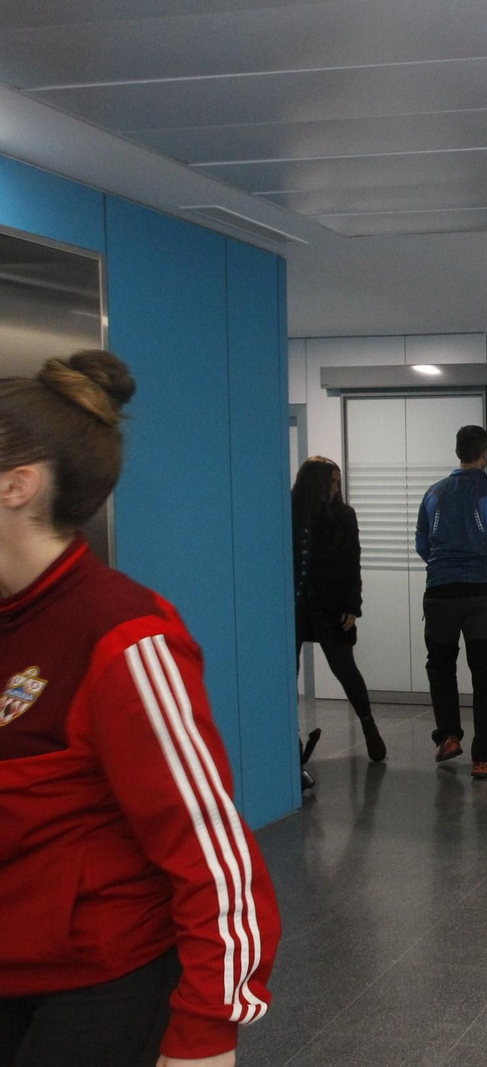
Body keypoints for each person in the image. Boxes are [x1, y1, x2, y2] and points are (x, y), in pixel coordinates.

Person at [0, 350, 280, 1067]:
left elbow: (211, 848)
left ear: (17, 484)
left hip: (97, 986)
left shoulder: (123, 635)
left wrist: (207, 1033)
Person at [415, 425, 487, 780]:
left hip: (439, 594)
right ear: (484, 453)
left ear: (458, 451)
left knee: (441, 666)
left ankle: (448, 736)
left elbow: (422, 545)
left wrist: (444, 567)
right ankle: (483, 757)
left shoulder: (433, 493)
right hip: (478, 596)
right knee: (483, 674)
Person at [290, 457, 386, 764]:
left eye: (338, 483)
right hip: (294, 605)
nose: (336, 488)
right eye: (331, 482)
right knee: (287, 673)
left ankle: (368, 725)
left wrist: (352, 605)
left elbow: (351, 563)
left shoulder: (343, 515)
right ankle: (289, 737)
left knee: (344, 668)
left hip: (330, 605)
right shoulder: (290, 512)